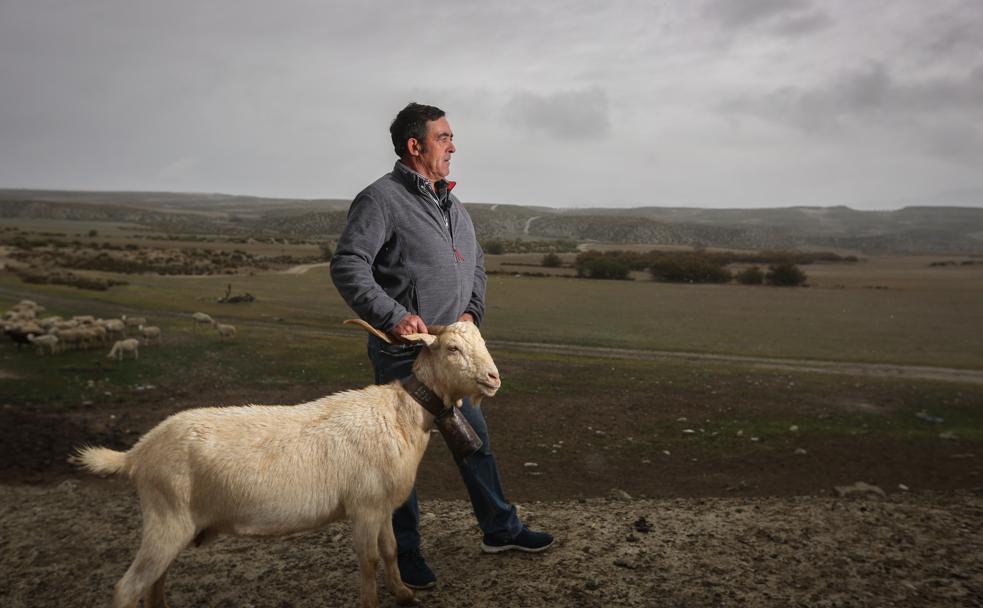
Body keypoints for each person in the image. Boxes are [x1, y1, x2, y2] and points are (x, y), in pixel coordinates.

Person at [330, 102, 554, 589]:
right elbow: (348, 265)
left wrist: (471, 314)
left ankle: (500, 529)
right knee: (398, 457)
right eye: (445, 137)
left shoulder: (454, 205)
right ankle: (404, 554)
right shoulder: (381, 200)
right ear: (416, 145)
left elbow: (475, 267)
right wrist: (392, 316)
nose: (454, 146)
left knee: (473, 442)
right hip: (404, 356)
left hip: (451, 356)